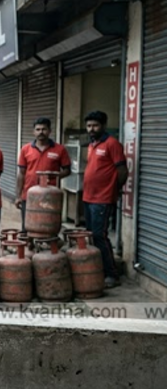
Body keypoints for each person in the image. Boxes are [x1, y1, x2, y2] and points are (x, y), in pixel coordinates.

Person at [82, 110, 127, 288]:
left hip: (103, 198)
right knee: (91, 235)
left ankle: (111, 274)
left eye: (95, 125)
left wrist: (114, 191)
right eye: (89, 126)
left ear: (103, 126)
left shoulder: (112, 144)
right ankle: (98, 270)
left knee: (100, 235)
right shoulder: (92, 145)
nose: (91, 129)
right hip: (88, 197)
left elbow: (122, 170)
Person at [14, 117, 72, 229]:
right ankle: (30, 245)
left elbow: (67, 170)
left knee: (48, 226)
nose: (41, 132)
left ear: (49, 131)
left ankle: (48, 244)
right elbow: (21, 173)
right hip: (29, 194)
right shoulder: (26, 149)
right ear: (33, 131)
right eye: (38, 129)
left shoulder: (59, 149)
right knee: (27, 226)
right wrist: (18, 196)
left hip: (50, 195)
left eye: (44, 129)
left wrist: (55, 175)